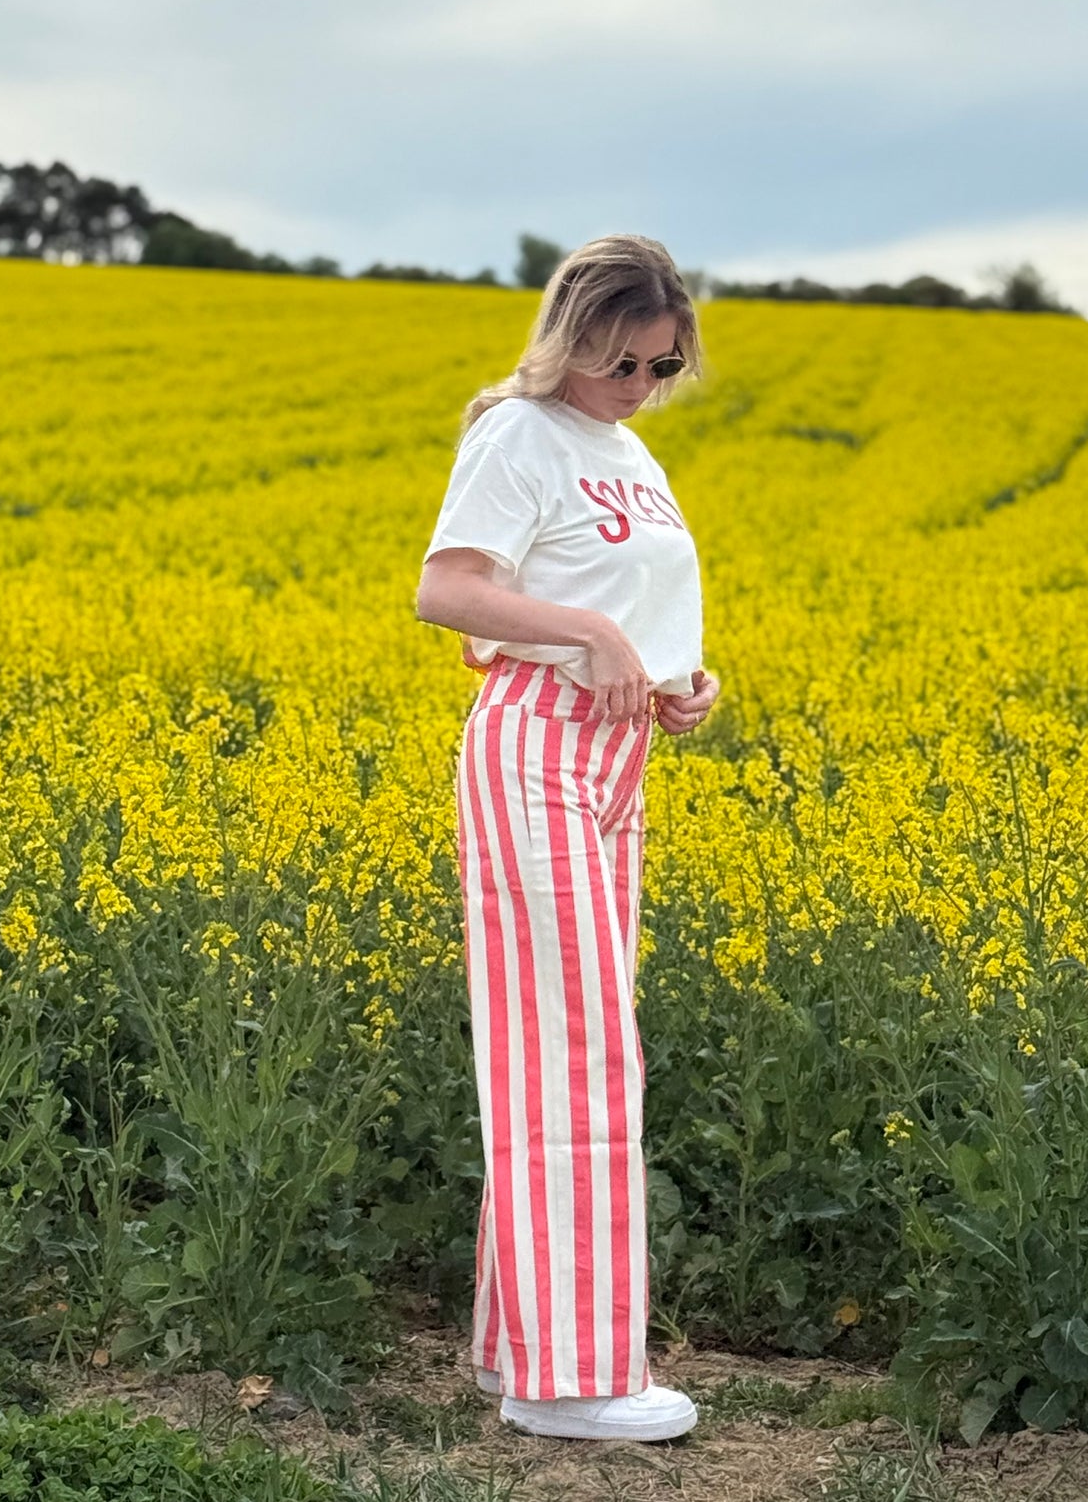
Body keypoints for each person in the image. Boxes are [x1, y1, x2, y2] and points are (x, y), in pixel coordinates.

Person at [415, 234, 721, 1445]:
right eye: (618, 361)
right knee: (577, 1056)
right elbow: (447, 588)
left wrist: (674, 678)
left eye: (659, 365)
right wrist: (586, 638)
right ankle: (573, 1379)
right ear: (569, 337)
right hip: (535, 744)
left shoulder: (626, 448)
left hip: (614, 752)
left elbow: (627, 604)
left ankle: (516, 1349)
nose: (638, 385)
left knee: (569, 1046)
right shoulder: (518, 431)